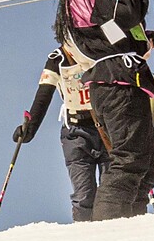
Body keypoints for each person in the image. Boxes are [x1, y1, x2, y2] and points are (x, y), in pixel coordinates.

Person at [51, 0, 154, 220]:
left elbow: (114, 30)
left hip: (118, 78)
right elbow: (125, 14)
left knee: (146, 162)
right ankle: (110, 226)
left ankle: (131, 220)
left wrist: (143, 39)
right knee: (129, 160)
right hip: (115, 81)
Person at [13, 46, 104, 222]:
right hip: (76, 132)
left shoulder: (101, 49)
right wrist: (30, 127)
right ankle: (85, 232)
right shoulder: (58, 59)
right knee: (84, 195)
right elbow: (44, 94)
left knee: (113, 190)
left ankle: (116, 232)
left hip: (107, 128)